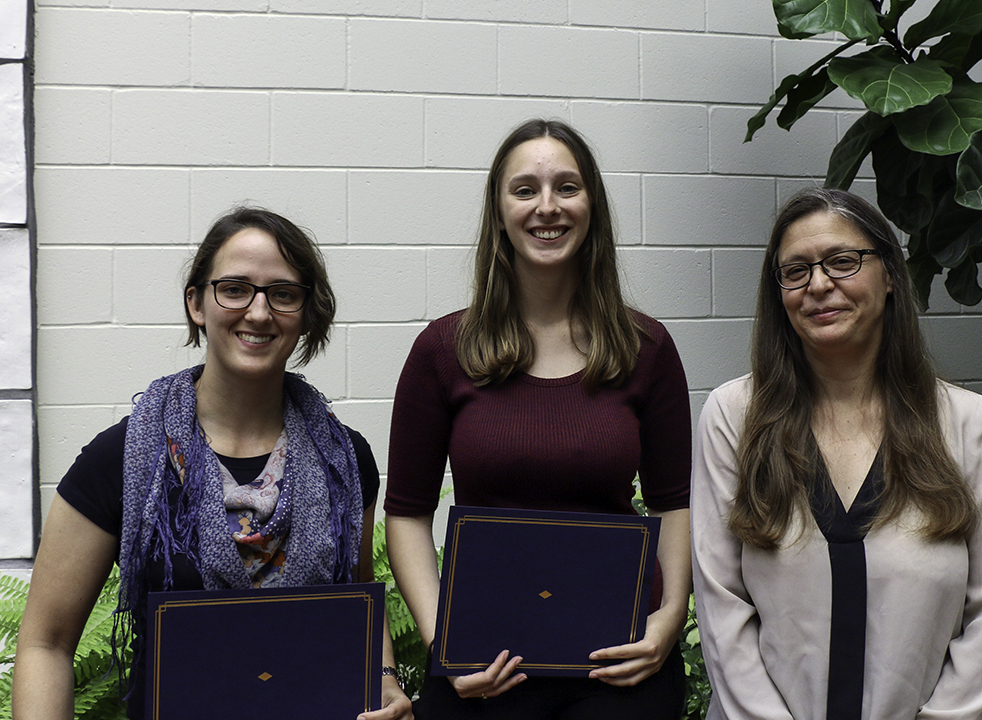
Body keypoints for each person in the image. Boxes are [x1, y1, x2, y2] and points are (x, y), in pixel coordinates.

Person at [13, 207, 412, 720]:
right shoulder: (122, 460)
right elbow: (46, 644)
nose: (259, 312)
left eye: (283, 294)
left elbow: (358, 602)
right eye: (235, 288)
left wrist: (385, 681)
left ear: (307, 313)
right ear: (197, 303)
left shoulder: (345, 459)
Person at [384, 118, 692, 719]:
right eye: (524, 190)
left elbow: (671, 502)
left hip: (620, 659)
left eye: (567, 188)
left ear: (592, 205)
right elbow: (407, 515)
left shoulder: (645, 348)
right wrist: (442, 644)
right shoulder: (442, 350)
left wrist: (669, 619)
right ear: (499, 211)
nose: (546, 207)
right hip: (485, 667)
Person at [690, 187, 982, 720]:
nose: (819, 285)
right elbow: (721, 605)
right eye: (795, 271)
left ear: (889, 275)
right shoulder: (734, 417)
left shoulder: (968, 425)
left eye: (843, 262)